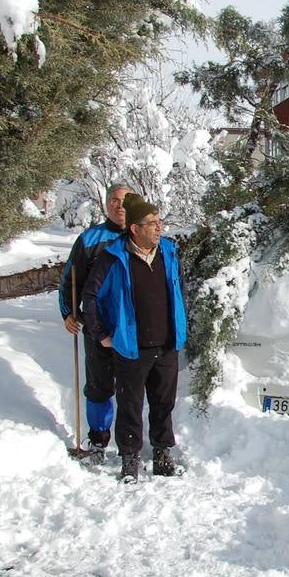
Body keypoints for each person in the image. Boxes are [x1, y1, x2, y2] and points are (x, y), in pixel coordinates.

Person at [82, 194, 188, 483]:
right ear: (134, 228)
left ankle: (163, 454)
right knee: (130, 404)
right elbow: (89, 298)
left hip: (166, 344)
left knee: (163, 403)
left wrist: (180, 322)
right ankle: (130, 459)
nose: (158, 228)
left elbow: (178, 291)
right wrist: (101, 333)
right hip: (131, 346)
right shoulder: (113, 257)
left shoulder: (168, 252)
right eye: (151, 223)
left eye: (159, 222)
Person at [59, 184, 130, 455]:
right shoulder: (90, 239)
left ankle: (129, 445)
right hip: (96, 326)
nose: (119, 205)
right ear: (106, 204)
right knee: (99, 386)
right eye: (114, 200)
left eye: (125, 200)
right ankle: (98, 440)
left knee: (130, 389)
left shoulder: (142, 234)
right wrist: (68, 312)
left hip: (131, 327)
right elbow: (69, 280)